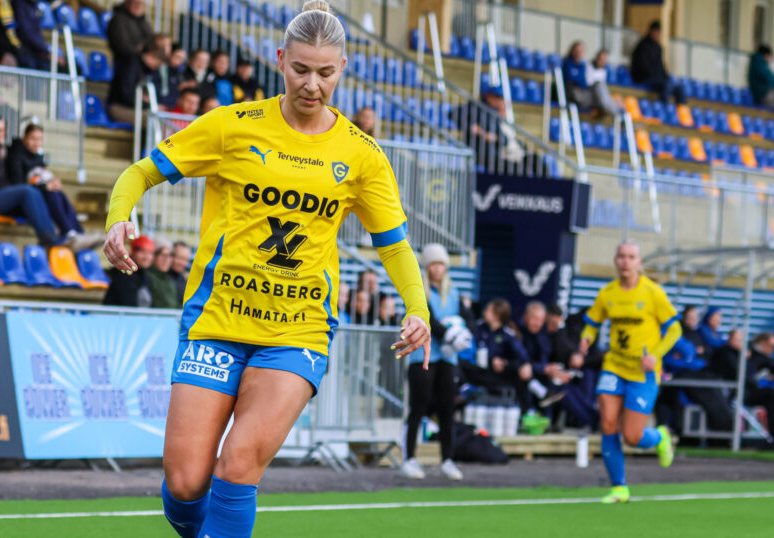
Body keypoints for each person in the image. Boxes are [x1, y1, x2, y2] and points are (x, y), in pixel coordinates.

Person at [101, 2, 431, 535]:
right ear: (280, 60)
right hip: (216, 321)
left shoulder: (362, 154)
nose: (312, 84)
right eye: (300, 69)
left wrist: (417, 307)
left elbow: (393, 245)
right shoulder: (232, 125)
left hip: (296, 331)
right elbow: (140, 172)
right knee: (185, 483)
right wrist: (120, 217)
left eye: (325, 72)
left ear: (343, 69)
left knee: (238, 466)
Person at [579, 240, 680, 504]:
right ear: (615, 260)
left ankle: (660, 437)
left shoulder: (652, 293)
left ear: (639, 262)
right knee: (608, 423)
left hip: (643, 372)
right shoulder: (607, 293)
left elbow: (675, 330)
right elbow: (591, 323)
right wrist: (586, 338)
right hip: (614, 365)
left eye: (631, 257)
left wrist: (655, 355)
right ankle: (619, 488)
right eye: (621, 256)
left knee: (632, 436)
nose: (625, 261)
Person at [401, 243, 471, 481]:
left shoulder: (455, 293)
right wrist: (449, 334)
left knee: (447, 409)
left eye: (441, 264)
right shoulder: (420, 291)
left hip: (447, 357)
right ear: (427, 267)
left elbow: (468, 318)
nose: (438, 269)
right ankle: (409, 458)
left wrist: (464, 335)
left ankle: (448, 459)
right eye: (433, 264)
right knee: (418, 407)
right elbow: (428, 318)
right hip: (422, 355)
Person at [0, 116, 66, 248]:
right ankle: (48, 237)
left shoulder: (4, 151)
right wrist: (5, 187)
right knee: (27, 191)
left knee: (40, 193)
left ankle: (63, 233)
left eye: (1, 130)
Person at [5, 123, 103, 251]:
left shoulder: (38, 157)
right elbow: (19, 186)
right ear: (24, 138)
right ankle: (69, 232)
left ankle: (78, 232)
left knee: (57, 193)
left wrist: (51, 183)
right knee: (52, 194)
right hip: (25, 203)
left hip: (39, 196)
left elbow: (40, 179)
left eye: (39, 139)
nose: (36, 143)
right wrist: (45, 186)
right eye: (33, 139)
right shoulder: (15, 156)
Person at [464, 298, 556, 415]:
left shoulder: (507, 334)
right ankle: (539, 396)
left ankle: (530, 410)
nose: (484, 312)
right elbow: (470, 349)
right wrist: (491, 359)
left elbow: (522, 356)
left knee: (520, 369)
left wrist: (505, 362)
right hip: (476, 370)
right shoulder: (479, 328)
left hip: (498, 374)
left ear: (496, 315)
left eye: (488, 309)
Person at [711, 330, 774, 448]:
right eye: (737, 339)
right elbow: (740, 373)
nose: (739, 342)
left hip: (747, 391)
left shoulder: (744, 354)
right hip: (735, 392)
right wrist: (744, 358)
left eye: (741, 340)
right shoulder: (726, 353)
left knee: (770, 400)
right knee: (770, 393)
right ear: (730, 340)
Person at [545, 305, 600, 430]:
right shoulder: (549, 333)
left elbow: (591, 357)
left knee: (582, 379)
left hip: (563, 371)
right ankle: (594, 421)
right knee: (563, 389)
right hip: (546, 373)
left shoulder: (590, 329)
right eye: (553, 323)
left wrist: (578, 358)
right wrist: (548, 369)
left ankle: (591, 421)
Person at [107, 38, 166, 125]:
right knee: (155, 121)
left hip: (134, 107)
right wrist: (148, 104)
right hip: (119, 107)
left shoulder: (144, 68)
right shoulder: (130, 65)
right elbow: (127, 95)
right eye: (157, 65)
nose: (155, 68)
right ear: (152, 56)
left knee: (160, 118)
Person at [629, 21, 686, 104]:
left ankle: (680, 110)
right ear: (651, 31)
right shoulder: (642, 46)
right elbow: (643, 67)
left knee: (679, 88)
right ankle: (663, 106)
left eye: (659, 32)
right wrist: (657, 76)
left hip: (656, 78)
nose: (658, 34)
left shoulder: (658, 47)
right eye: (656, 31)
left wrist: (665, 76)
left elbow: (661, 66)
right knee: (666, 85)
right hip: (644, 78)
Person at [562, 42, 621, 117]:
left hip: (585, 93)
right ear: (572, 51)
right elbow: (577, 80)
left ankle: (615, 111)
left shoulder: (582, 66)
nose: (579, 53)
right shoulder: (568, 63)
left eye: (581, 51)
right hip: (575, 94)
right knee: (599, 87)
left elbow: (583, 82)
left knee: (610, 98)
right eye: (577, 51)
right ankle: (617, 114)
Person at [104, 236, 155, 307]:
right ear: (132, 252)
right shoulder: (124, 273)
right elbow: (130, 305)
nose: (146, 257)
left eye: (150, 253)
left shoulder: (145, 276)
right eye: (142, 252)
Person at [107, 0, 153, 65]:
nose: (139, 6)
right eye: (136, 3)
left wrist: (142, 46)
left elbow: (151, 38)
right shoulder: (119, 19)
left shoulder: (142, 20)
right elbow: (123, 46)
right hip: (126, 61)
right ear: (127, 3)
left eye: (141, 3)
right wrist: (141, 48)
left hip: (142, 58)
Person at [748, 45, 774, 110]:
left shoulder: (757, 63)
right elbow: (769, 79)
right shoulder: (759, 64)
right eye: (770, 57)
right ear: (767, 55)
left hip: (762, 97)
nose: (770, 59)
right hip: (763, 98)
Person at [149, 241, 179, 308]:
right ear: (154, 256)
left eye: (170, 256)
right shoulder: (148, 277)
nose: (166, 260)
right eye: (163, 255)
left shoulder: (170, 281)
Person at [168, 241, 190, 305]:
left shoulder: (183, 279)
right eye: (179, 258)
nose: (182, 263)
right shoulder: (162, 278)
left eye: (185, 259)